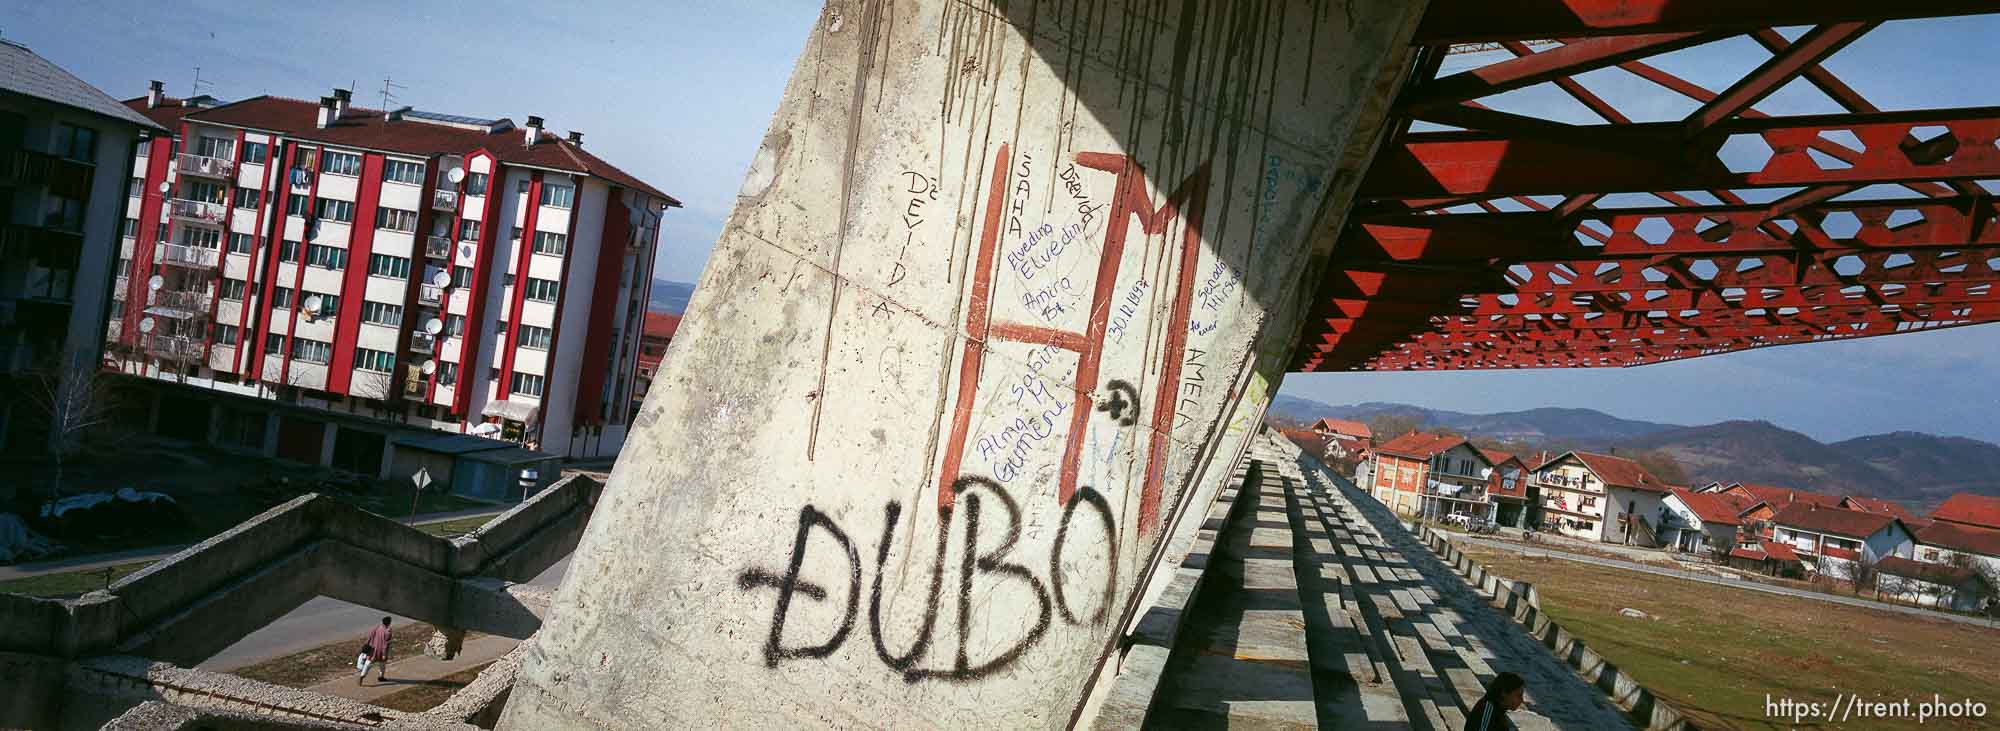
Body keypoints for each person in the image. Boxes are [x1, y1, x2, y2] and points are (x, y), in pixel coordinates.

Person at [357, 616, 392, 684]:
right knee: (382, 664)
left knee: (368, 663)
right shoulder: (388, 632)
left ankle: (362, 676)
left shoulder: (377, 627)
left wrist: (366, 644)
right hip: (381, 651)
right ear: (389, 623)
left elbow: (370, 636)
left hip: (372, 650)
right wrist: (384, 654)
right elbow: (386, 644)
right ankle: (381, 677)